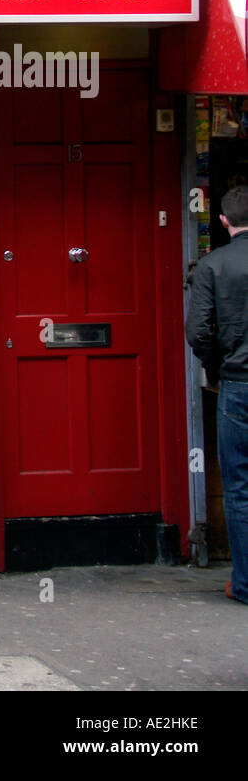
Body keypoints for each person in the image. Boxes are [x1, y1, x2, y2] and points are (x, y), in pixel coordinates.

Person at [185, 185, 248, 605]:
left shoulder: (212, 266)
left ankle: (243, 582)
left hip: (238, 384)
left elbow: (199, 331)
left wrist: (217, 367)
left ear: (223, 221)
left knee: (239, 486)